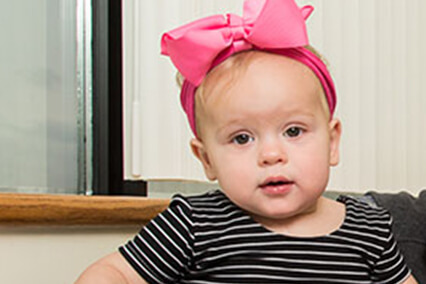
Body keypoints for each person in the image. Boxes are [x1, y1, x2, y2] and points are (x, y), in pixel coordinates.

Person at [76, 0, 418, 283]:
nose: (271, 154)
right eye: (242, 138)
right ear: (206, 158)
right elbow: (111, 272)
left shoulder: (369, 230)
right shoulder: (194, 224)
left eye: (294, 131)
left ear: (332, 142)